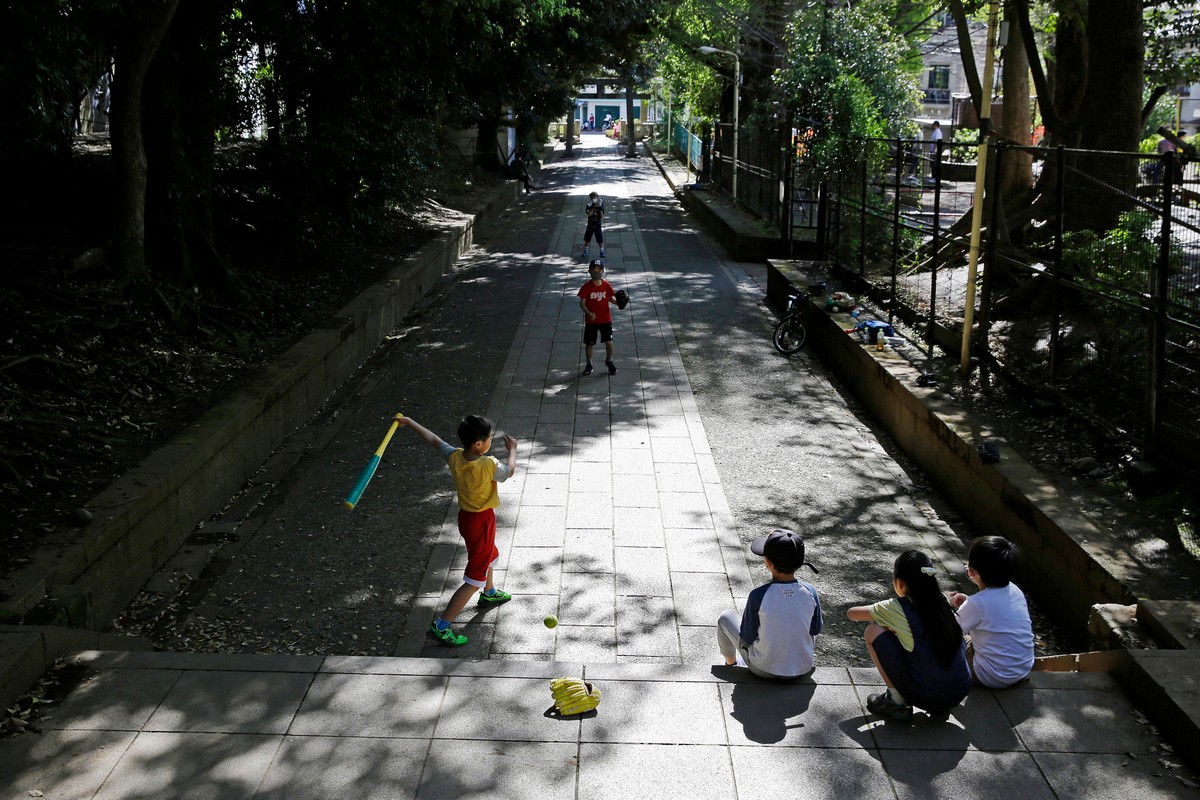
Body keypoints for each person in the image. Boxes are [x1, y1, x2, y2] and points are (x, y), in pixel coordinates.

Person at [399, 414, 518, 647]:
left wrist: (410, 422)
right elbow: (510, 471)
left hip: (467, 519)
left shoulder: (454, 456)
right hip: (481, 521)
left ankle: (490, 592)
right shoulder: (488, 464)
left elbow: (433, 439)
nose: (492, 441)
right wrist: (512, 450)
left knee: (488, 554)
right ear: (478, 444)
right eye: (490, 438)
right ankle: (442, 626)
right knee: (474, 578)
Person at [847, 550, 971, 722]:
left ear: (900, 583)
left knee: (873, 630)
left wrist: (886, 616)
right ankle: (939, 698)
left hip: (927, 696)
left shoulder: (897, 607)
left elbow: (852, 614)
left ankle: (896, 701)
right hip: (959, 692)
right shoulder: (942, 602)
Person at [716, 529, 823, 679]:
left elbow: (747, 637)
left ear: (767, 563)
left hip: (763, 669)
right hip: (802, 668)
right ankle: (795, 658)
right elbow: (816, 629)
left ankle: (731, 663)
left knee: (725, 617)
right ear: (800, 563)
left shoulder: (758, 595)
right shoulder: (811, 592)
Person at [945, 536, 1035, 688]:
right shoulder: (1015, 590)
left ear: (972, 571)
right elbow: (993, 613)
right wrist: (967, 603)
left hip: (990, 676)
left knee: (950, 638)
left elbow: (948, 630)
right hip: (1022, 669)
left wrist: (944, 603)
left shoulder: (976, 603)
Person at [577, 259, 618, 375]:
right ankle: (589, 364)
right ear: (590, 271)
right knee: (590, 343)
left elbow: (609, 298)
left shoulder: (606, 285)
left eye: (599, 270)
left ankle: (609, 361)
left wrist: (618, 303)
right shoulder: (586, 287)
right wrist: (589, 313)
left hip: (605, 319)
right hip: (592, 321)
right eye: (594, 270)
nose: (597, 272)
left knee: (609, 342)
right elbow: (582, 304)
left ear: (603, 271)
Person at [581, 191, 605, 259]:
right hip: (590, 224)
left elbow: (601, 216)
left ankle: (602, 251)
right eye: (592, 197)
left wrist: (599, 209)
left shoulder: (600, 205)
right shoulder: (589, 205)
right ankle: (586, 251)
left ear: (597, 197)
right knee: (587, 238)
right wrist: (594, 207)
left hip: (597, 224)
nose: (594, 198)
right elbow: (589, 214)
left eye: (595, 197)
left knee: (600, 239)